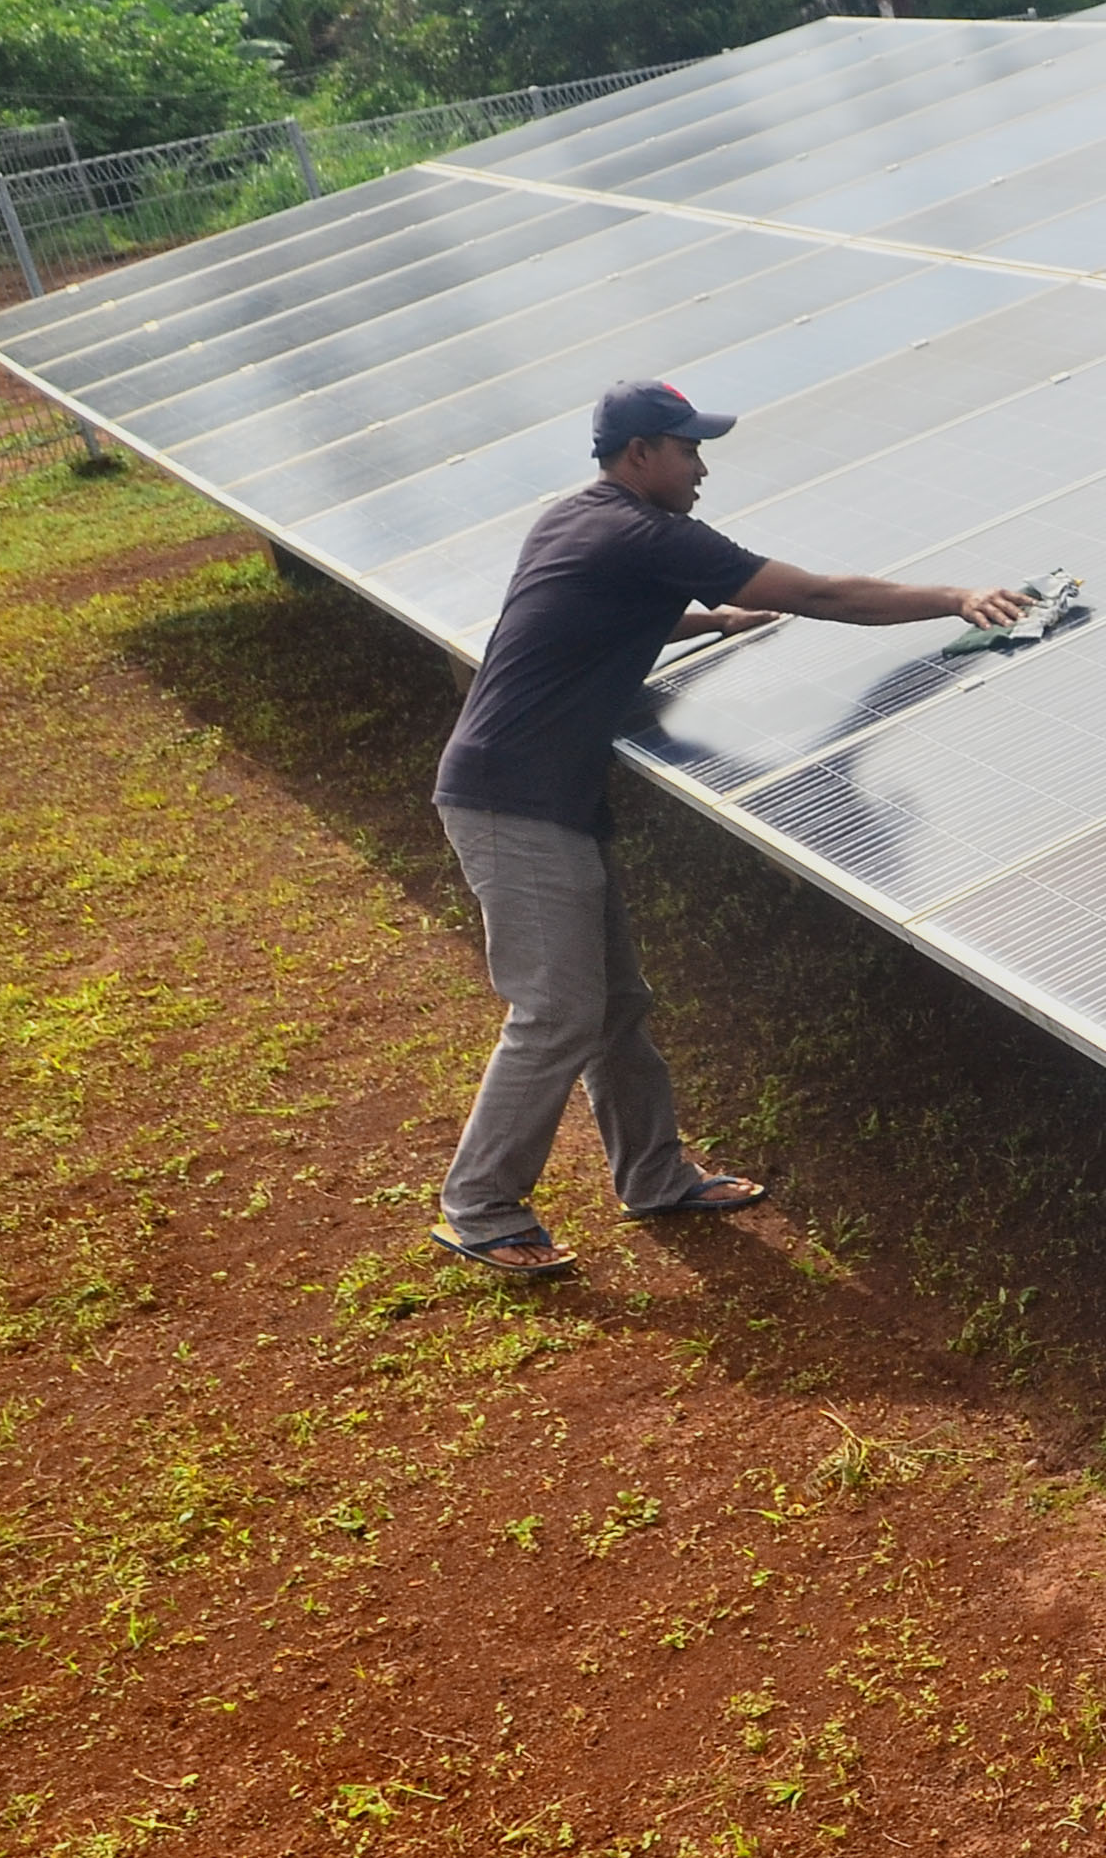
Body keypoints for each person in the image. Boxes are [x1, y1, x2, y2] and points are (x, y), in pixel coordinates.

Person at [425, 378, 1025, 1277]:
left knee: (616, 1004)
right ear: (642, 457)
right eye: (687, 448)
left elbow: (584, 610)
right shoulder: (646, 532)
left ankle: (654, 1176)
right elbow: (826, 595)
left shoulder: (578, 522)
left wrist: (711, 619)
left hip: (540, 795)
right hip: (513, 803)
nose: (701, 466)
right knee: (556, 1012)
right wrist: (953, 596)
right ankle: (479, 1208)